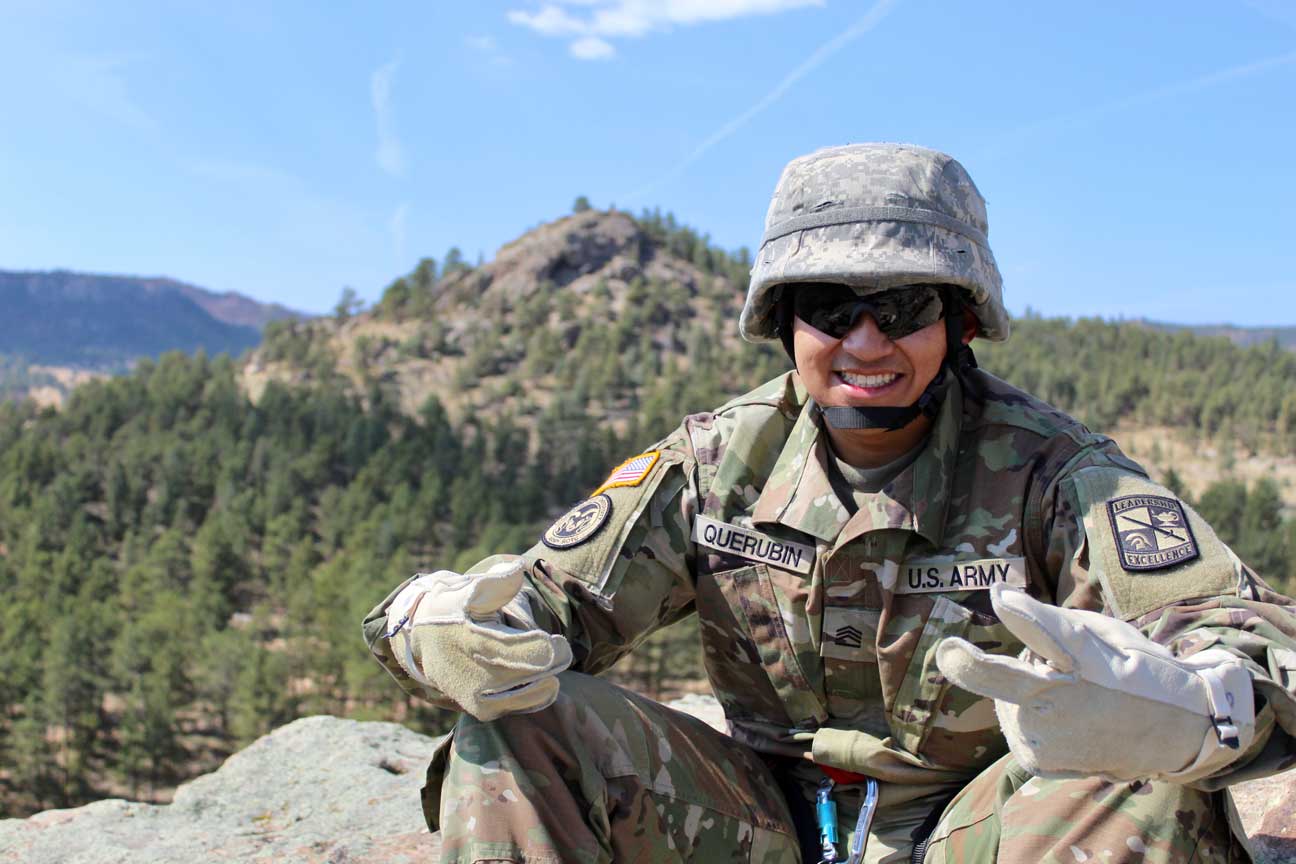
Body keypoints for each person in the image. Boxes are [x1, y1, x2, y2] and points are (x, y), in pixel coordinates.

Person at [363, 143, 1296, 863]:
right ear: (783, 322)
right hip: (752, 822)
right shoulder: (716, 461)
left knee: (1148, 771)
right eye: (827, 306)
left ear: (959, 320)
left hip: (978, 826)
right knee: (516, 716)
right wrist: (429, 625)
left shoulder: (1056, 471)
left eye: (901, 308)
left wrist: (1202, 703)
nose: (863, 341)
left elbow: (1233, 629)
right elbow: (535, 610)